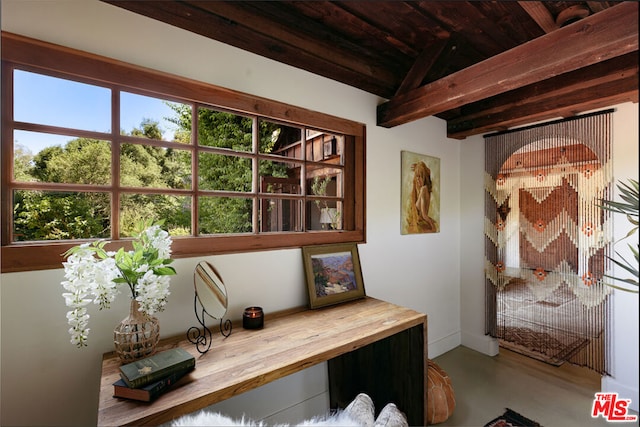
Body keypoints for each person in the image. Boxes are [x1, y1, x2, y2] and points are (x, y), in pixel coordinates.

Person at [407, 161, 438, 233]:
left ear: (424, 177)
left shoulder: (423, 190)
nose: (417, 179)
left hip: (419, 224)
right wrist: (418, 167)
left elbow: (424, 215)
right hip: (418, 223)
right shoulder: (425, 189)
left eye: (420, 176)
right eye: (416, 176)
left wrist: (433, 226)